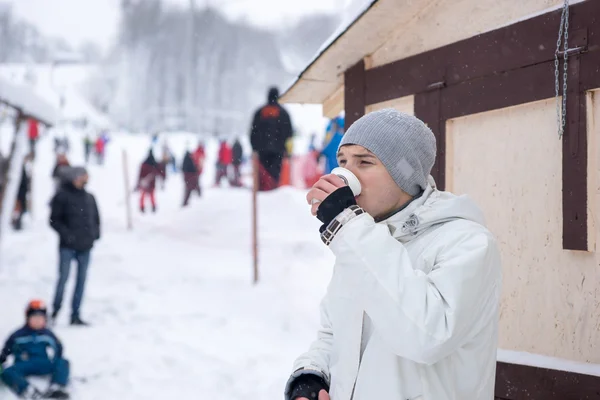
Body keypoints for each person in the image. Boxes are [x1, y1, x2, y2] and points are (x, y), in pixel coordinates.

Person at [285, 109, 502, 400]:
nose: (346, 175)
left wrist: (349, 227)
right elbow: (332, 334)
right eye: (342, 162)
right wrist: (310, 377)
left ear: (405, 174)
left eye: (364, 162)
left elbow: (426, 337)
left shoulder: (466, 243)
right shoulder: (360, 242)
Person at [49, 167, 100, 326]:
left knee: (81, 281)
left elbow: (96, 218)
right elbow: (54, 220)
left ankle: (75, 314)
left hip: (85, 246)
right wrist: (67, 235)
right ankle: (55, 311)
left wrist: (95, 234)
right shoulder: (62, 196)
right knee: (63, 279)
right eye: (84, 176)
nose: (86, 179)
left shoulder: (89, 197)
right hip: (67, 247)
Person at [0, 300, 70, 399]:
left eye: (40, 318)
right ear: (28, 318)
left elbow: (58, 347)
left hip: (43, 363)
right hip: (24, 365)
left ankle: (57, 386)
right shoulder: (18, 335)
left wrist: (56, 359)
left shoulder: (47, 334)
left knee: (63, 362)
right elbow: (6, 349)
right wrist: (2, 360)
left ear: (45, 319)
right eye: (34, 317)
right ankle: (27, 390)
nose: (37, 321)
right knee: (8, 371)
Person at [250, 87, 293, 191]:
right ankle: (273, 192)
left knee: (263, 175)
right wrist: (287, 151)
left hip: (262, 151)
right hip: (278, 151)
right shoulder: (283, 113)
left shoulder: (260, 112)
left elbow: (253, 133)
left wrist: (255, 148)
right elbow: (289, 134)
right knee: (274, 176)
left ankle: (263, 192)